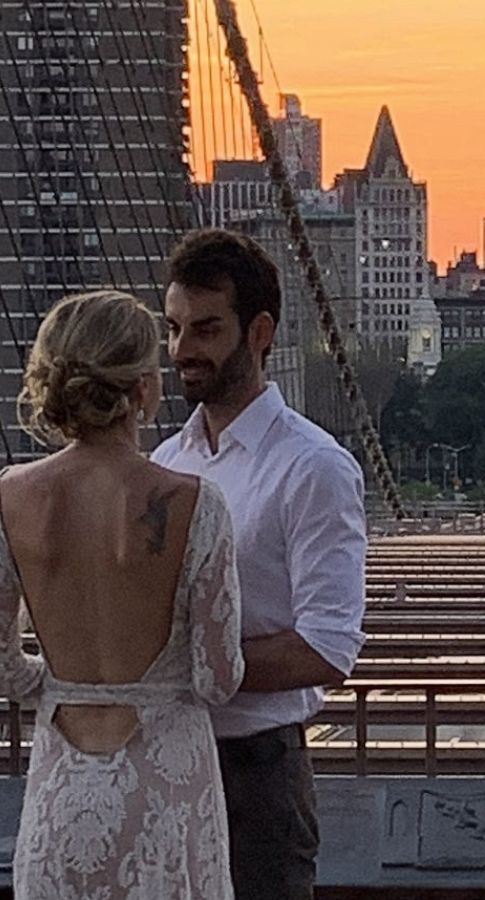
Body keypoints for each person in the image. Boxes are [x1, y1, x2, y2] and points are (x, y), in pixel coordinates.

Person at [0, 290, 244, 899]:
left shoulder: (7, 498)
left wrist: (56, 679)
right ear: (144, 389)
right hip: (166, 789)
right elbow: (216, 679)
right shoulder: (195, 504)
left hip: (61, 791)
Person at [151, 229, 368, 899]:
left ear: (260, 331)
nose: (184, 351)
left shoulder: (314, 468)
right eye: (175, 329)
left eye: (207, 329)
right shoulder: (164, 465)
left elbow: (328, 648)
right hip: (162, 760)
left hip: (257, 772)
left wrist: (187, 669)